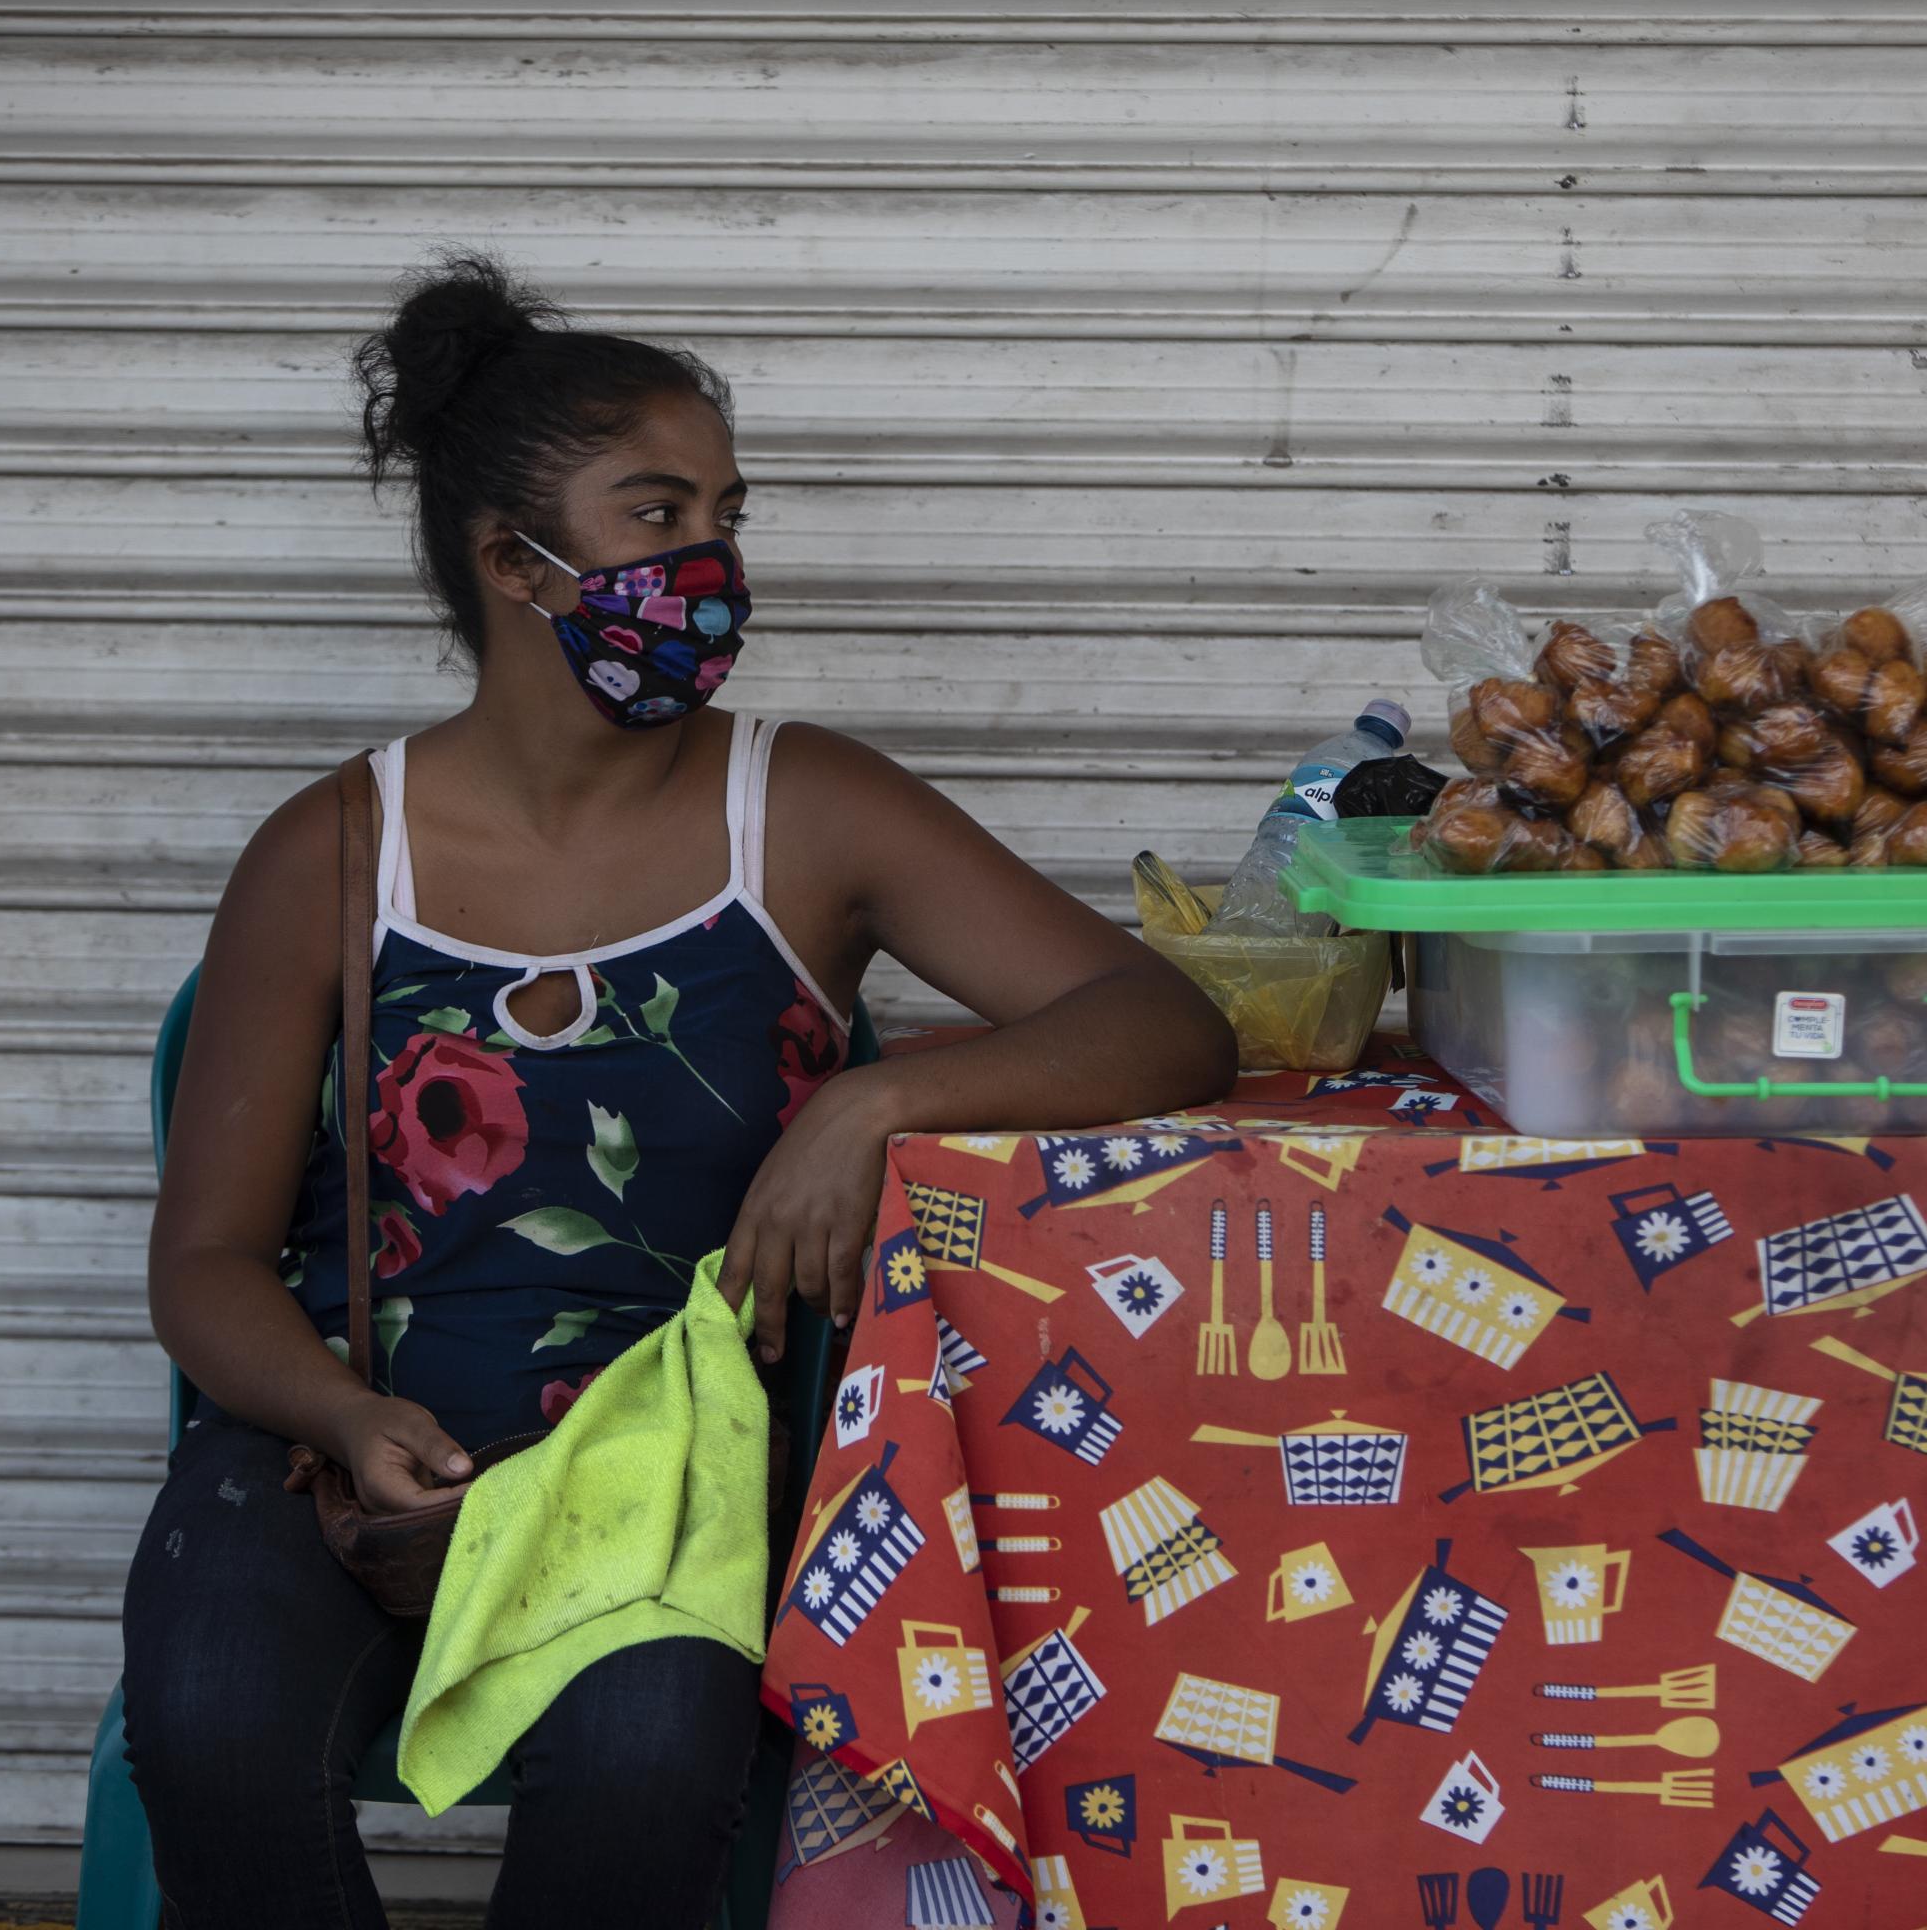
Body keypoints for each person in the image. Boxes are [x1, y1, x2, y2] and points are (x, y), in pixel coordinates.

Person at [122, 251, 1238, 1926]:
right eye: (657, 518)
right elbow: (202, 1260)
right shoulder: (333, 851)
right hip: (341, 1456)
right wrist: (344, 1417)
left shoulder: (809, 810)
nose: (710, 563)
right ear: (518, 564)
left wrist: (867, 1108)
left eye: (726, 512)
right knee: (207, 1723)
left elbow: (1163, 1024)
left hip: (671, 1472)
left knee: (651, 1766)